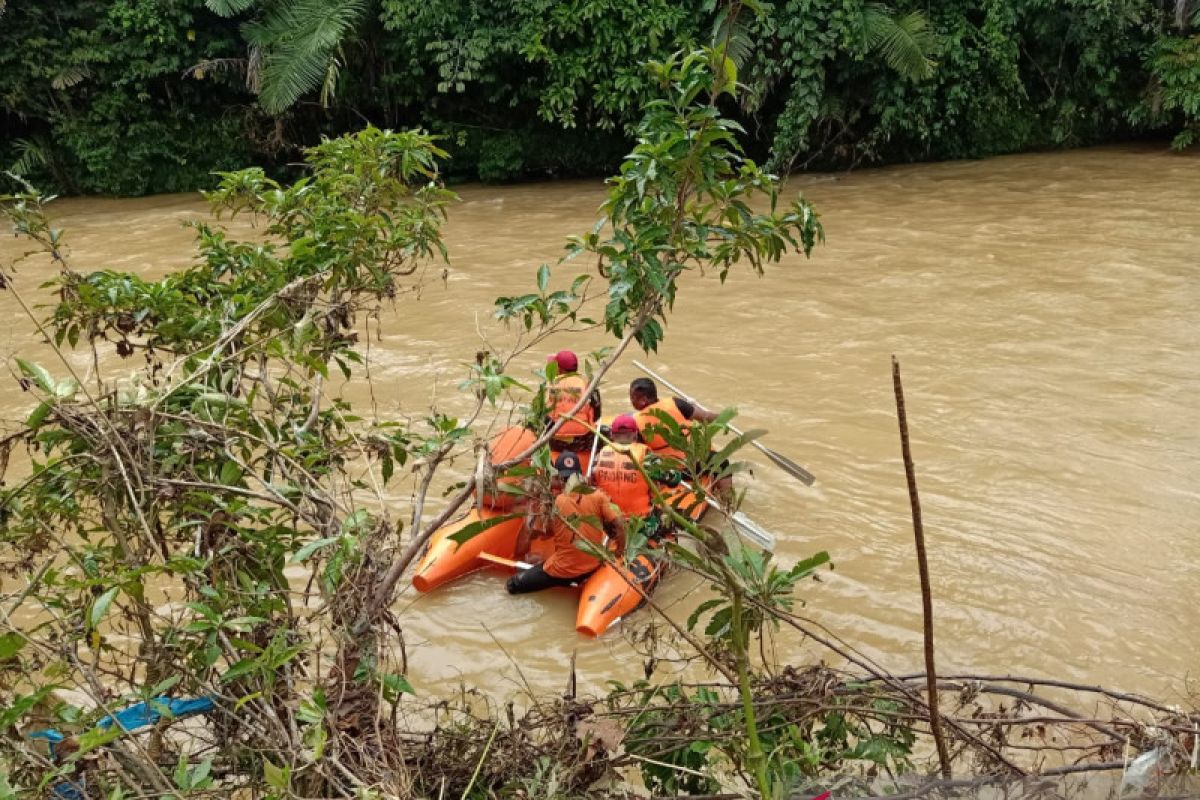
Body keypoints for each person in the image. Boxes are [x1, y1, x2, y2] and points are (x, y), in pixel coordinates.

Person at [507, 452, 626, 594]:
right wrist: (619, 551)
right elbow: (620, 524)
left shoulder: (555, 502)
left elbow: (540, 534)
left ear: (558, 478)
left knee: (512, 585)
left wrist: (532, 509)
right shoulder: (598, 496)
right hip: (592, 567)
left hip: (562, 571)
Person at [628, 377, 731, 500]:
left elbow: (637, 451)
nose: (631, 401)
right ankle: (727, 502)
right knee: (722, 462)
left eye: (633, 398)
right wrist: (725, 416)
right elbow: (706, 417)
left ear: (643, 400)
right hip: (694, 464)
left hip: (668, 472)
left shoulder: (635, 421)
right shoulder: (675, 403)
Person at [544, 350, 601, 452]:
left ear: (558, 368)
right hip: (582, 440)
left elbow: (542, 415)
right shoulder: (587, 383)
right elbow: (597, 414)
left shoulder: (549, 384)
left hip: (555, 441)